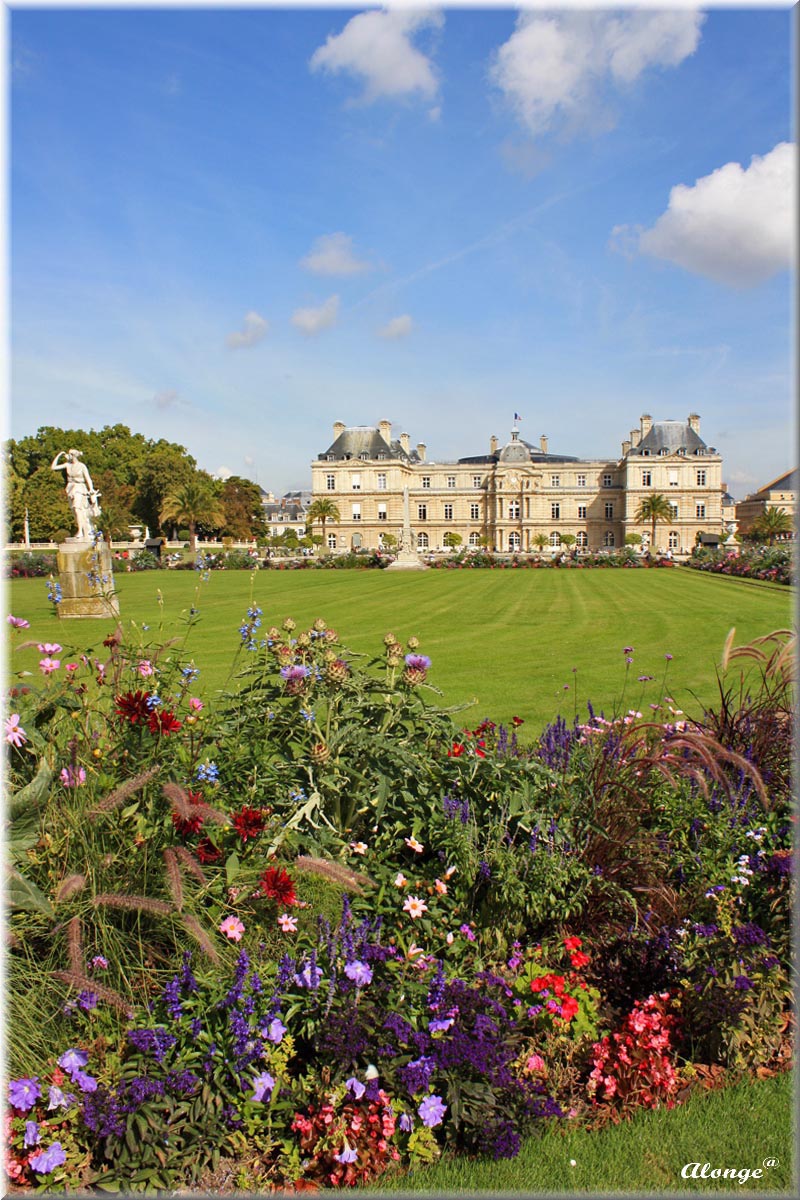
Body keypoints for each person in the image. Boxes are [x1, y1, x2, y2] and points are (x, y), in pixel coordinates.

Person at [50, 449, 101, 540]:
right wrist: (59, 455)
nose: (67, 456)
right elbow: (53, 467)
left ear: (73, 456)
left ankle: (80, 531)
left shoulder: (82, 466)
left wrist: (91, 489)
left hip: (79, 488)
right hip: (70, 488)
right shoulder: (68, 465)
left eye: (69, 455)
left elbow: (88, 478)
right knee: (74, 511)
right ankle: (82, 529)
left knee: (77, 508)